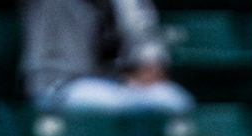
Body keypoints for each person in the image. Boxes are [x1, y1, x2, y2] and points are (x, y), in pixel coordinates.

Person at [22, 0, 195, 115]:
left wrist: (149, 64)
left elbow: (146, 41)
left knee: (174, 100)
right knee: (108, 103)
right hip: (59, 85)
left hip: (117, 85)